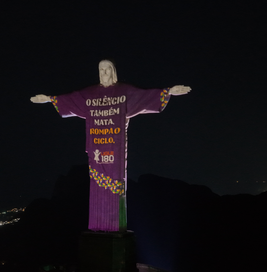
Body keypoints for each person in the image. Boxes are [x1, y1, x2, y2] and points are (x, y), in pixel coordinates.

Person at [31, 60, 190, 232]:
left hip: (116, 149)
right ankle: (98, 227)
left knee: (117, 188)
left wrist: (168, 92)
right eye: (101, 70)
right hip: (97, 148)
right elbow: (72, 99)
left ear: (113, 71)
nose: (104, 73)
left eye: (107, 69)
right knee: (96, 188)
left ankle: (115, 227)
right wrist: (49, 99)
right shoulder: (90, 94)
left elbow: (144, 97)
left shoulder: (124, 91)